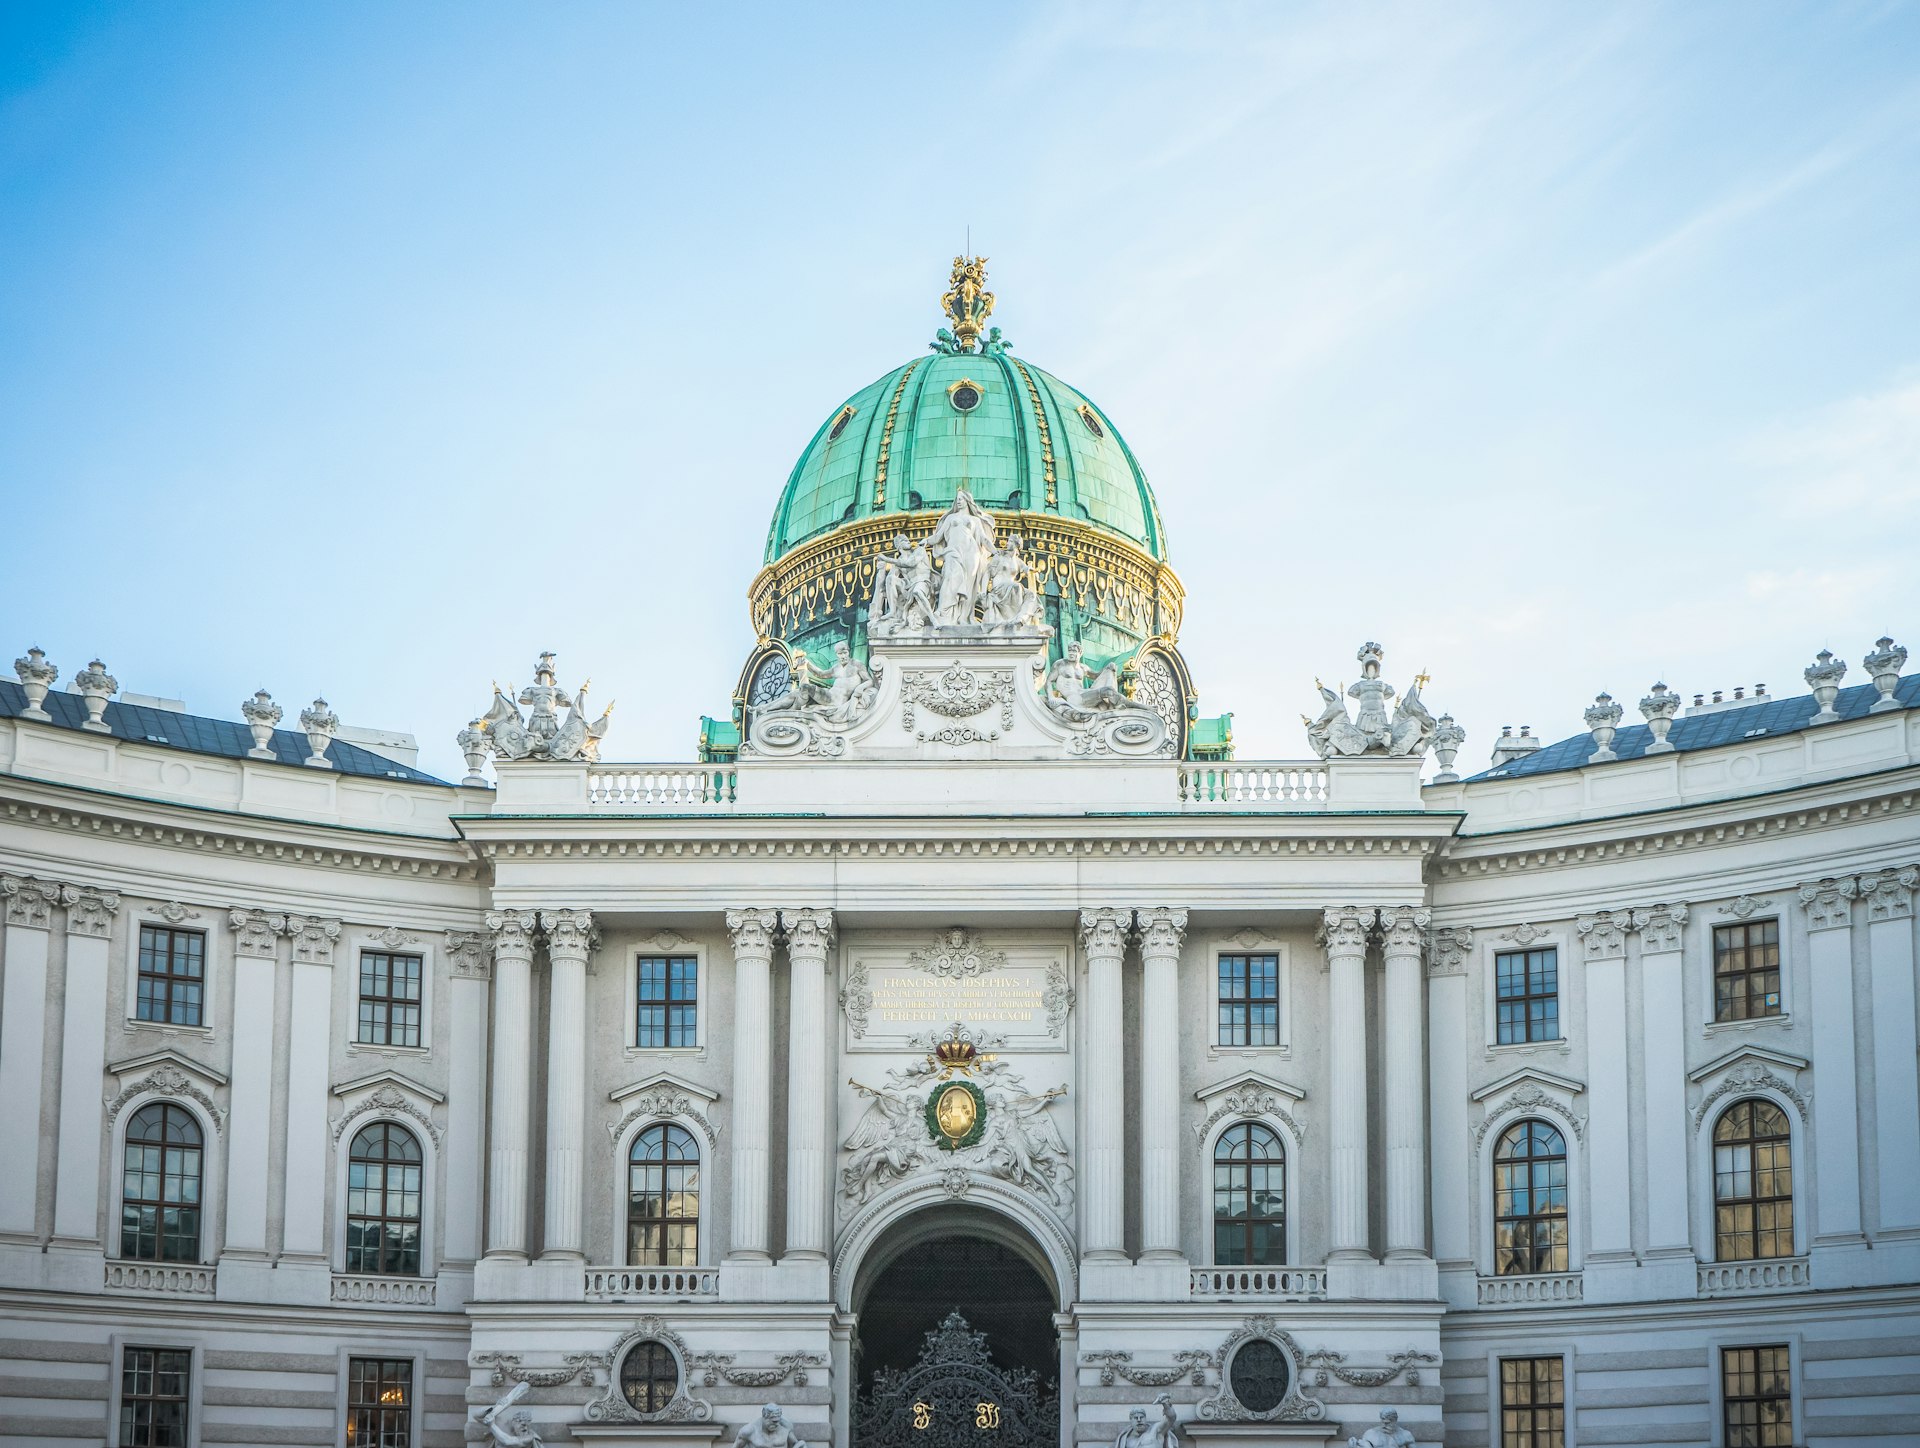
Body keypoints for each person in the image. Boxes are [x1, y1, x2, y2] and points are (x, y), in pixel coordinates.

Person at [735, 1403, 806, 1448]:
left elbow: (795, 1444)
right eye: (773, 1421)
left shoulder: (785, 1427)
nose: (777, 1424)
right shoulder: (748, 1431)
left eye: (778, 1421)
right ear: (764, 1416)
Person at [1347, 1407, 1415, 1448]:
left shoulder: (1405, 1435)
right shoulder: (1370, 1434)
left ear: (1395, 1420)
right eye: (1383, 1421)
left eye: (1388, 1422)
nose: (1385, 1425)